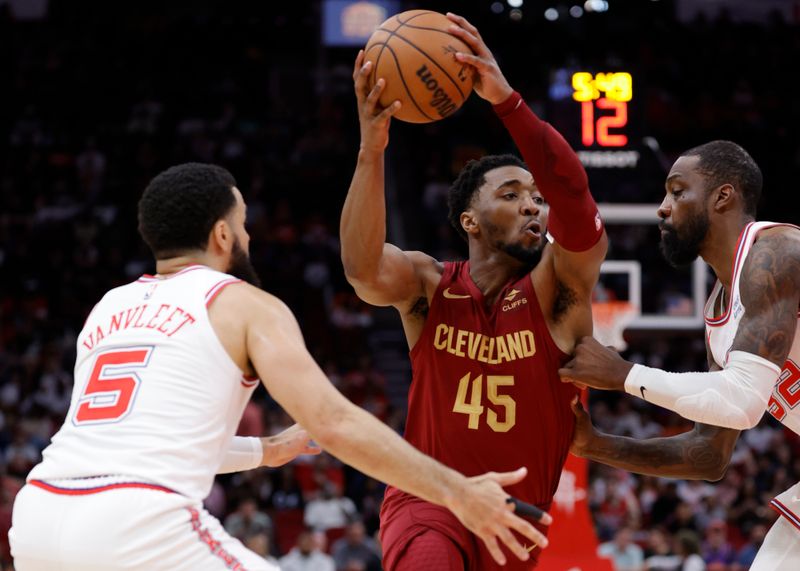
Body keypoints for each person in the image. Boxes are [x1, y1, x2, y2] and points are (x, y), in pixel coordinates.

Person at [9, 162, 548, 570]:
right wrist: (458, 491)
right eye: (242, 224)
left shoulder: (110, 306)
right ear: (222, 235)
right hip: (136, 522)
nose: (247, 237)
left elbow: (130, 446)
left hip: (39, 517)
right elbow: (334, 422)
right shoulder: (244, 302)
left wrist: (266, 451)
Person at [341, 12, 607, 570]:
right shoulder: (428, 285)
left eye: (535, 196)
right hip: (428, 502)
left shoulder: (559, 290)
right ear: (470, 221)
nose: (533, 205)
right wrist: (371, 150)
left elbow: (577, 205)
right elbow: (363, 269)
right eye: (511, 194)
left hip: (517, 525)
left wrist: (506, 99)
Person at [561, 140, 800, 569]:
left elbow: (744, 402)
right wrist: (595, 444)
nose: (662, 208)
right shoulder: (720, 322)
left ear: (722, 196)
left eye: (677, 191)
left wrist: (624, 375)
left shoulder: (776, 253)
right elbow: (708, 455)